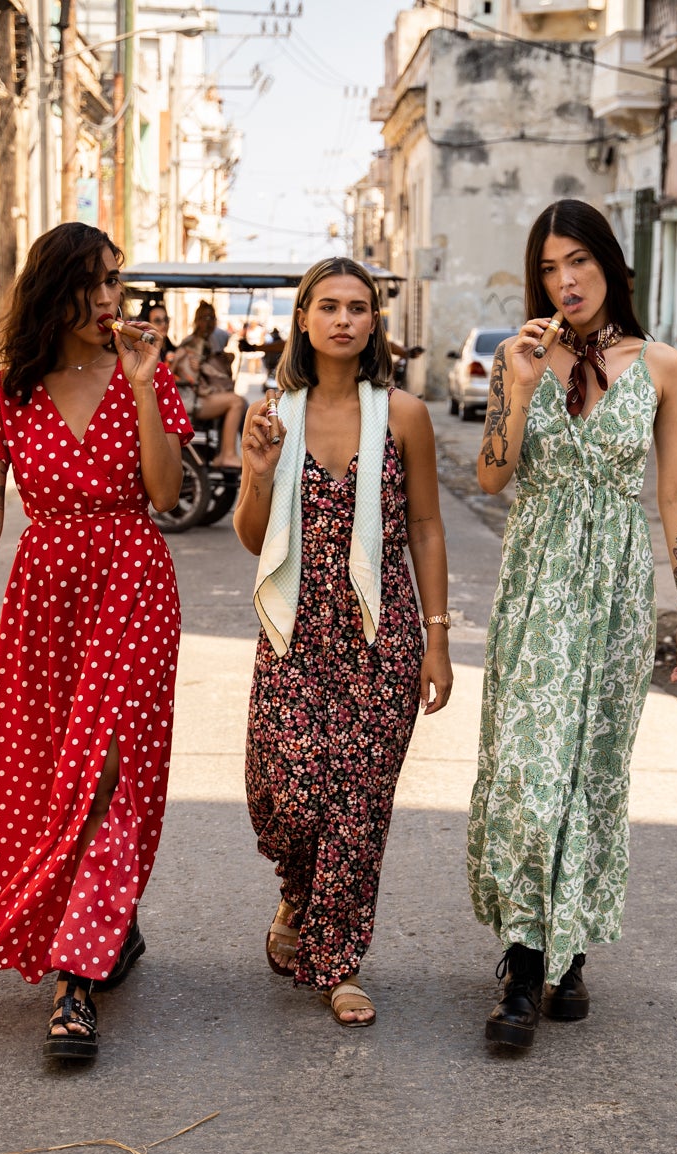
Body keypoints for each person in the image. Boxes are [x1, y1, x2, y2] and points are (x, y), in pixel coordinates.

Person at [0, 222, 192, 1065]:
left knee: (107, 766)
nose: (110, 299)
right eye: (93, 283)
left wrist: (144, 388)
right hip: (45, 597)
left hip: (132, 582)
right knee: (45, 775)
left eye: (116, 281)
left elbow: (167, 493)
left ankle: (76, 981)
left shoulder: (147, 374)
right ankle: (115, 924)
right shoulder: (9, 389)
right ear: (54, 289)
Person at [469, 199, 677, 1050]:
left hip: (612, 592)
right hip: (537, 584)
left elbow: (673, 492)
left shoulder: (665, 367)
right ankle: (523, 962)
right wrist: (521, 389)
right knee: (530, 772)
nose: (564, 281)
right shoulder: (518, 356)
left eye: (579, 262)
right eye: (549, 267)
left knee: (593, 770)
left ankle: (566, 954)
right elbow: (492, 478)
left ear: (611, 265)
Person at [233, 258, 453, 1027]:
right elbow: (254, 538)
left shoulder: (403, 414)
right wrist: (257, 474)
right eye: (328, 306)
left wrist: (436, 635)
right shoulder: (274, 415)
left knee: (357, 806)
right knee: (289, 794)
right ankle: (298, 893)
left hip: (380, 634)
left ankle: (340, 962)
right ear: (303, 318)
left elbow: (425, 524)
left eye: (359, 307)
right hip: (294, 631)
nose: (344, 319)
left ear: (373, 322)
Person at [173, 301, 247, 462]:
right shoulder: (191, 343)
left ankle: (227, 453)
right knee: (237, 402)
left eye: (212, 318)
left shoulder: (210, 342)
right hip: (193, 398)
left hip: (201, 394)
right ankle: (227, 454)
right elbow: (192, 375)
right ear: (197, 321)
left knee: (243, 404)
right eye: (205, 318)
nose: (208, 323)